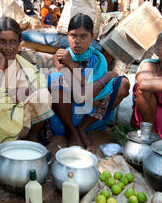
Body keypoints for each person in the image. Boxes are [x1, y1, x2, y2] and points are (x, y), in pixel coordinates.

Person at [0, 16, 54, 160]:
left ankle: (29, 139)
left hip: (20, 121)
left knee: (43, 95)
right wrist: (1, 63)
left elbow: (33, 90)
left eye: (13, 42)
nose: (8, 47)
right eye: (2, 41)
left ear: (19, 43)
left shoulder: (24, 66)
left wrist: (12, 96)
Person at [48, 13, 130, 149]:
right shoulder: (61, 56)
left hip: (90, 116)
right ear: (67, 36)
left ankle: (81, 128)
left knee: (123, 84)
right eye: (73, 35)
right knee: (56, 79)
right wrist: (106, 77)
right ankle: (72, 131)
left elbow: (88, 92)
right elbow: (82, 94)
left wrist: (94, 93)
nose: (77, 41)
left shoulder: (98, 59)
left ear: (92, 37)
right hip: (66, 116)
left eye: (84, 36)